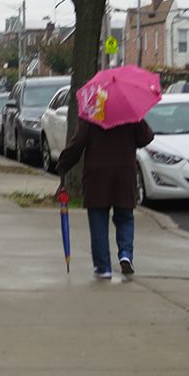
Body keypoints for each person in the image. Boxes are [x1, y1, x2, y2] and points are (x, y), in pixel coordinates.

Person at [57, 118, 155, 280]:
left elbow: (79, 142)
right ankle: (125, 254)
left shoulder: (91, 111)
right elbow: (146, 137)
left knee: (98, 221)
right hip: (124, 173)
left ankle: (103, 267)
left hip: (97, 176)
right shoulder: (128, 111)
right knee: (125, 217)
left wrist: (64, 164)